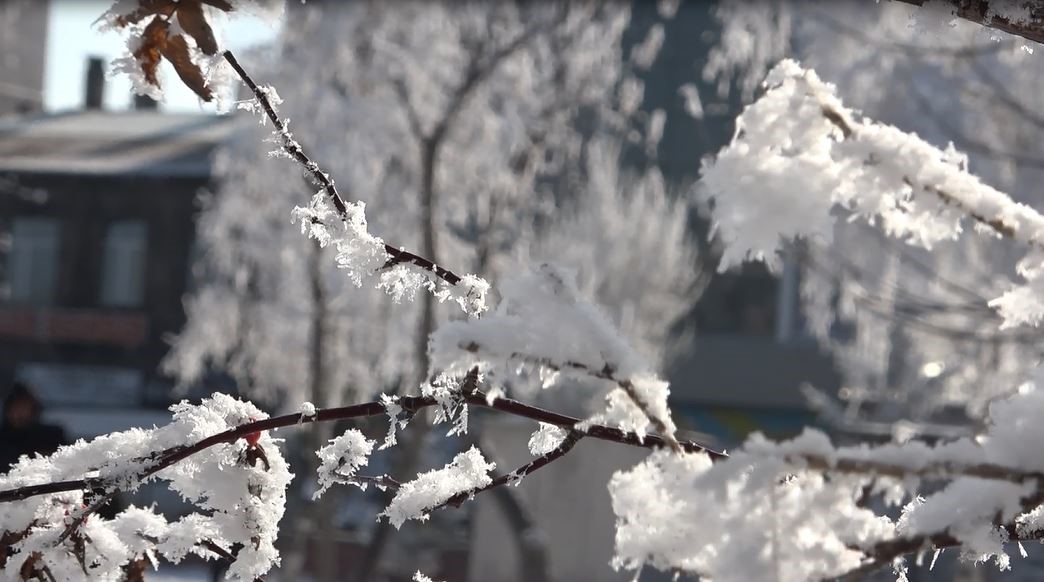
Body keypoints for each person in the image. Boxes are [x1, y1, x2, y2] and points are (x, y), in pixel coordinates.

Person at [0, 381, 68, 473]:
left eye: (24, 407)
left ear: (33, 409)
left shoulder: (50, 436)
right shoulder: (3, 439)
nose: (19, 413)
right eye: (15, 407)